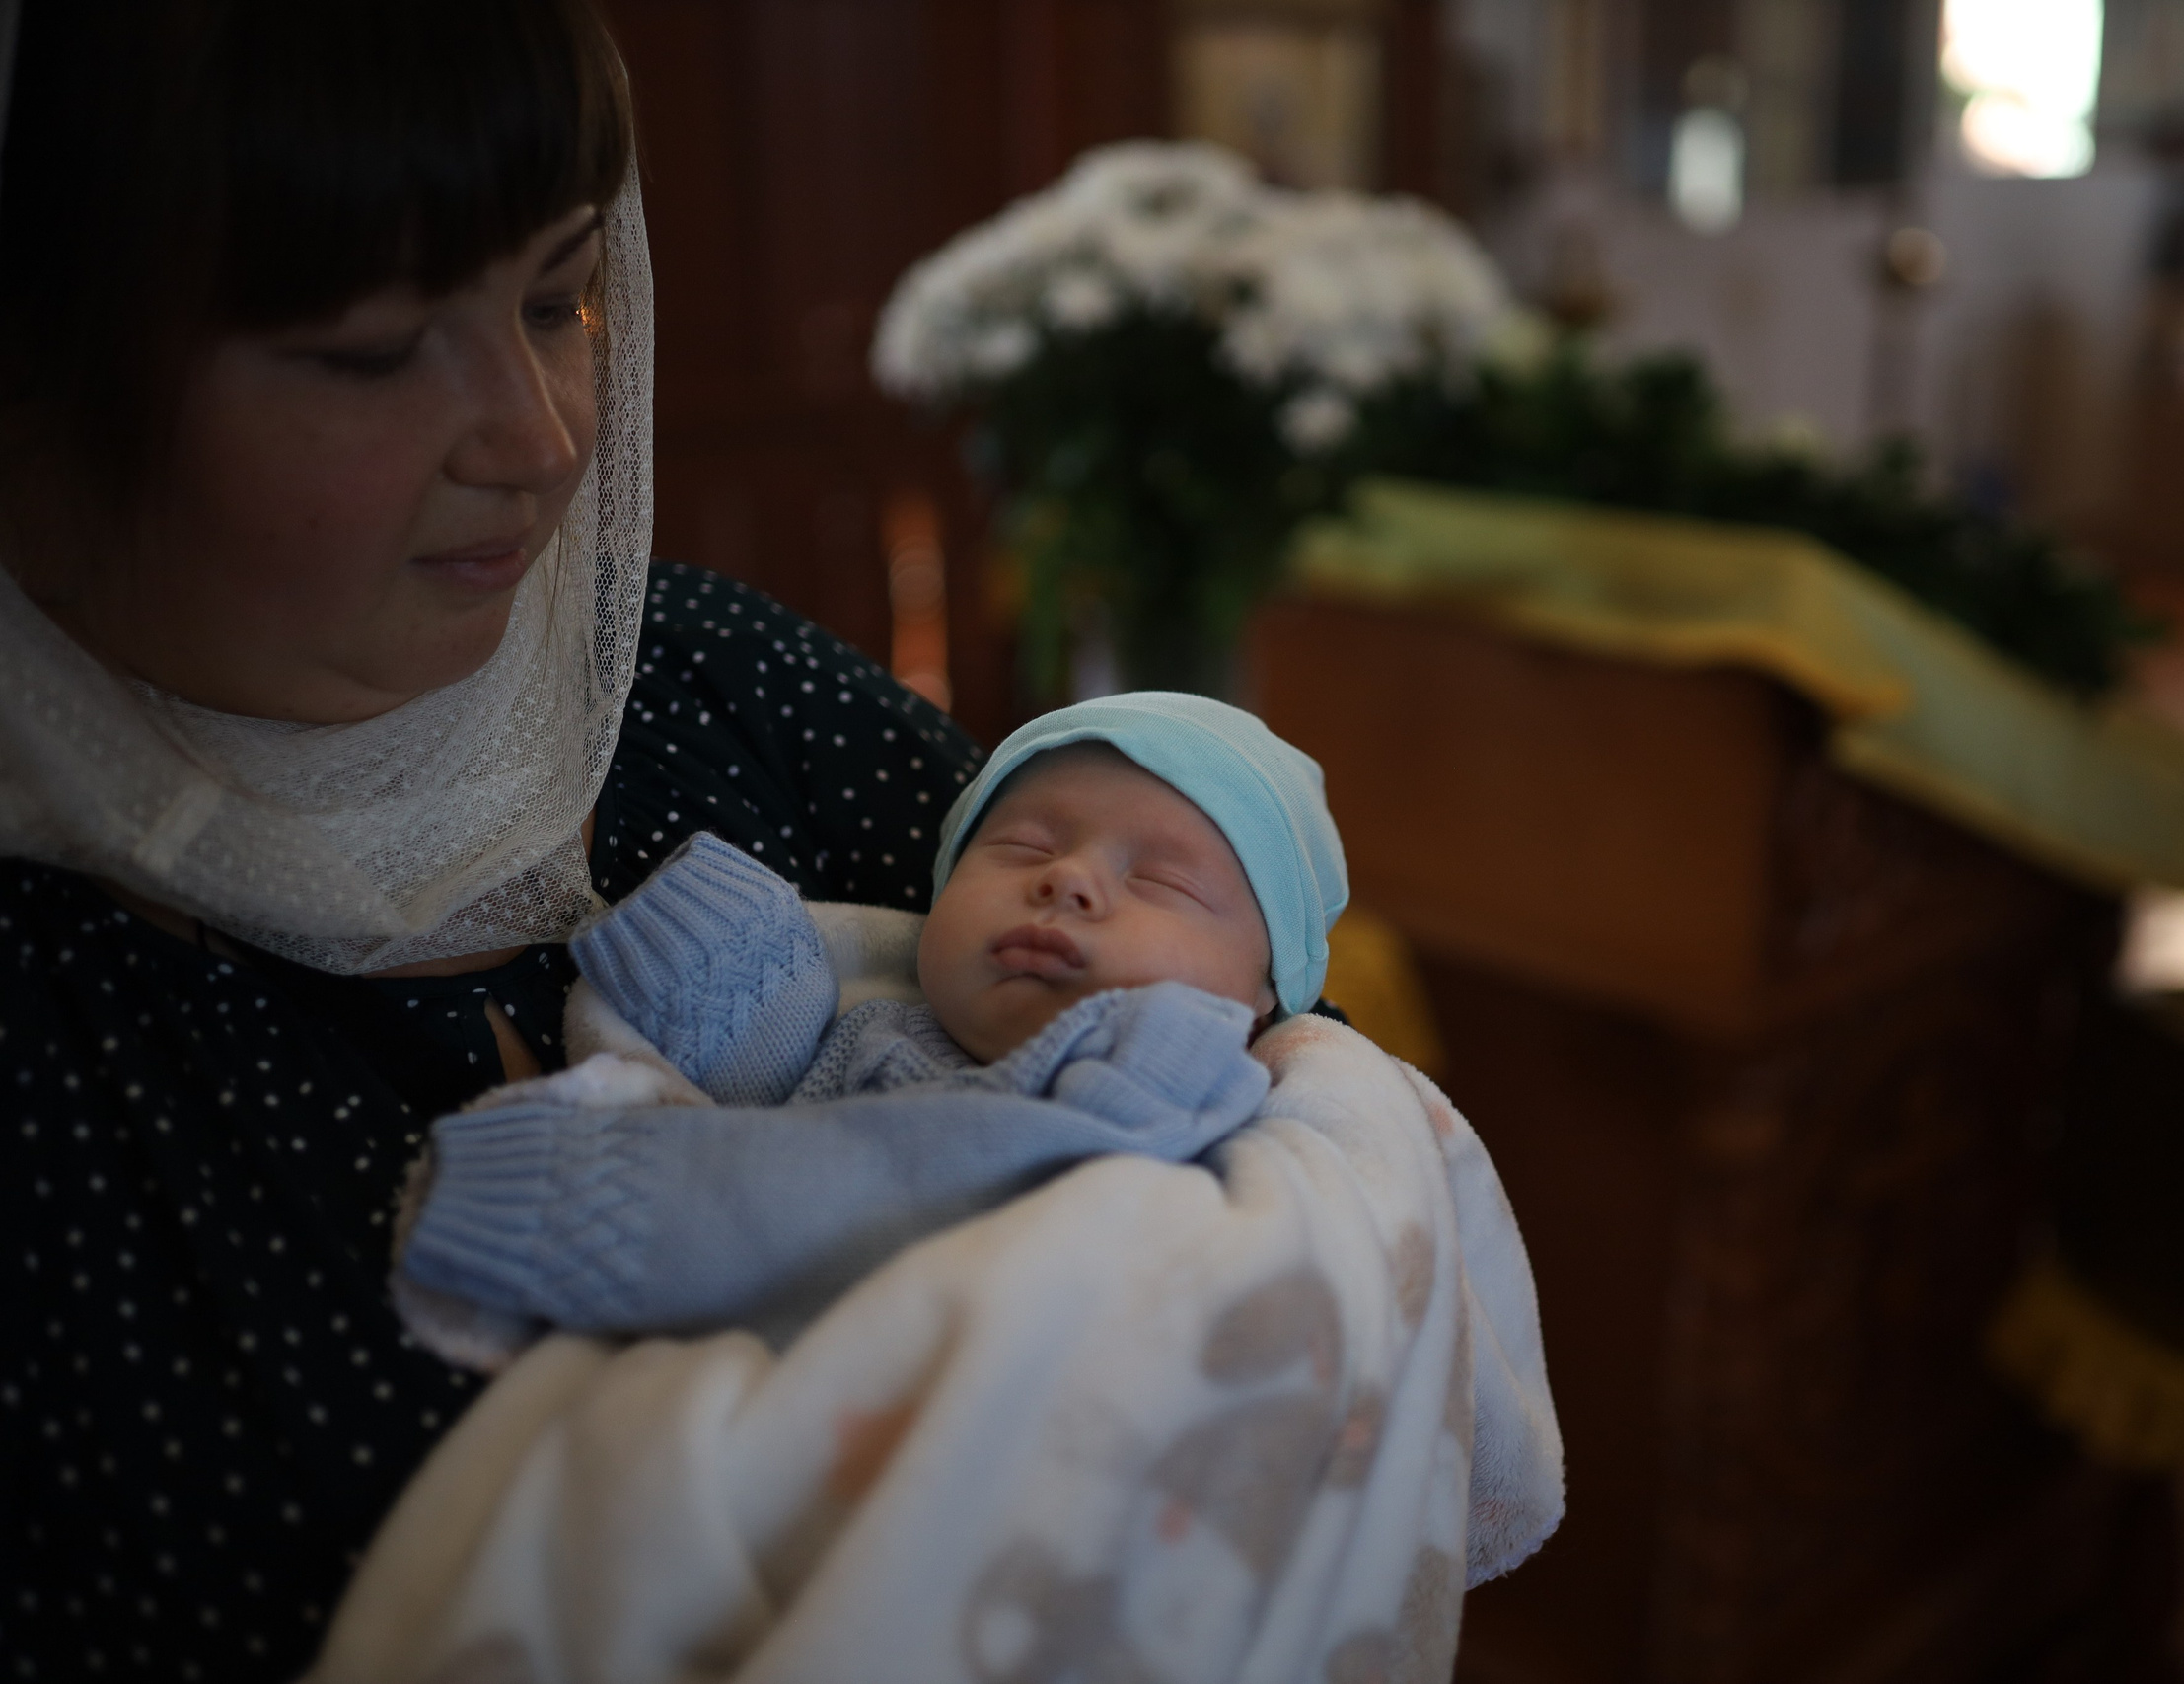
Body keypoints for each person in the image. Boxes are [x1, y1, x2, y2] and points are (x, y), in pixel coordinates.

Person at [0, 5, 974, 1677]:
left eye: (555, 297)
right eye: (371, 349)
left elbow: (1247, 1064)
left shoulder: (711, 692)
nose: (538, 439)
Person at [393, 695, 1350, 1353]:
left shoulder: (1166, 1076)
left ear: (1261, 995)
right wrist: (712, 948)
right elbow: (762, 1091)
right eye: (1021, 845)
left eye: (1161, 880)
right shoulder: (876, 1029)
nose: (1067, 879)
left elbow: (897, 1186)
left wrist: (558, 1200)